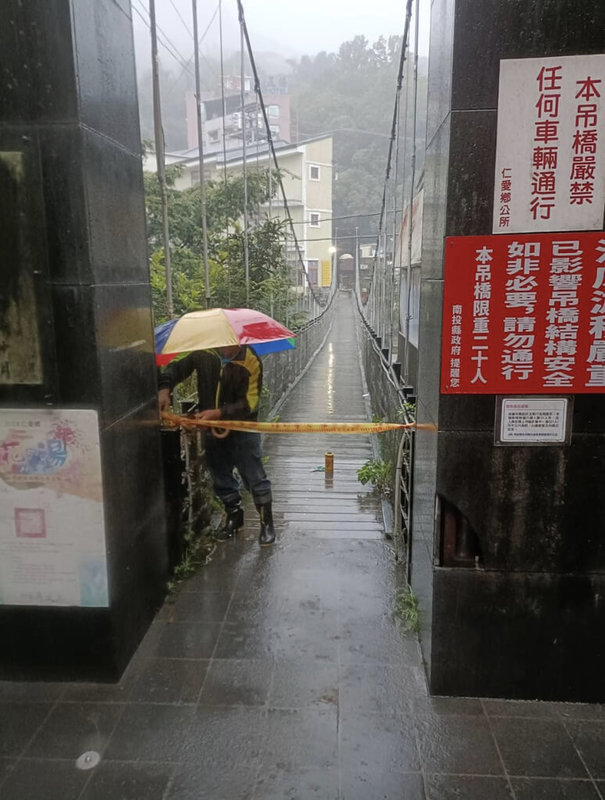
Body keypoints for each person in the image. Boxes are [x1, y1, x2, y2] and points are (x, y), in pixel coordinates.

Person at [158, 345, 276, 546]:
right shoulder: (204, 352)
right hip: (211, 427)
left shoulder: (250, 360)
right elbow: (178, 367)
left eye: (231, 344)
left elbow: (250, 402)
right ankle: (234, 516)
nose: (226, 348)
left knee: (254, 475)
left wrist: (219, 413)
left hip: (243, 427)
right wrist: (165, 387)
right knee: (219, 473)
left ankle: (266, 523)